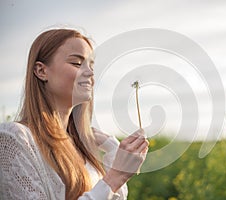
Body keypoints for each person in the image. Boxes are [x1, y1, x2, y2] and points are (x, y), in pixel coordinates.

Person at [0, 28, 149, 200]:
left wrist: (113, 149)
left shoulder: (80, 146)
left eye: (91, 65)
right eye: (77, 63)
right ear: (41, 71)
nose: (90, 73)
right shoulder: (14, 138)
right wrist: (115, 177)